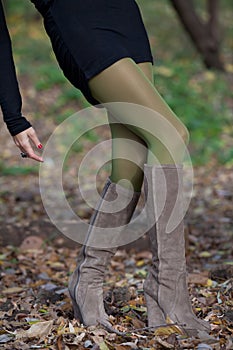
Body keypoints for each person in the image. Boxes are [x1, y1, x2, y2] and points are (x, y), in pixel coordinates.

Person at [0, 0, 210, 335]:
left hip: (123, 12)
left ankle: (88, 279)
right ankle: (167, 292)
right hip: (77, 20)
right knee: (169, 133)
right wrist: (13, 114)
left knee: (132, 155)